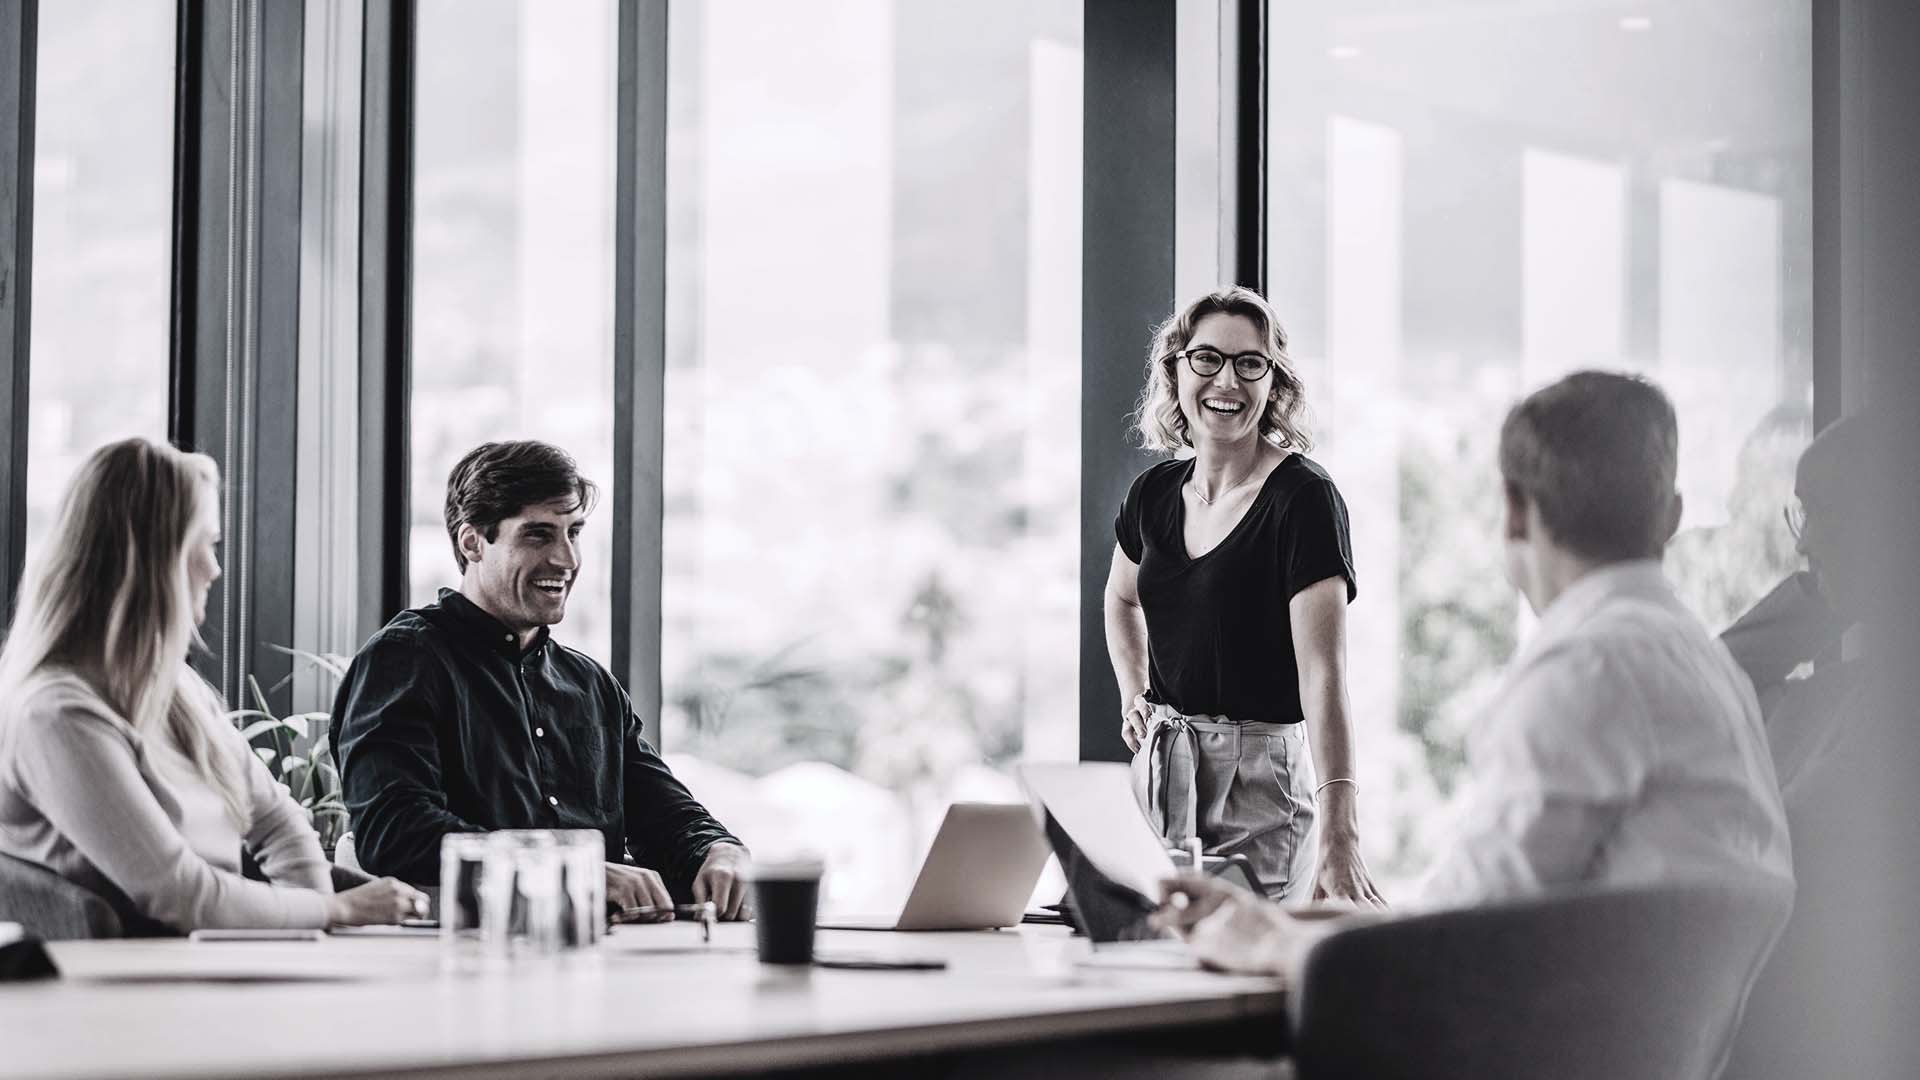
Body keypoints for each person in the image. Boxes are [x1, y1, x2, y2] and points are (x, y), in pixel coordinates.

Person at [1155, 371, 1792, 976]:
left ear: (1514, 514)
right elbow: (1475, 913)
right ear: (1671, 517)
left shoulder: (1585, 673)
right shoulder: (1704, 664)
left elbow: (1453, 951)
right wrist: (1284, 924)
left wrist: (1269, 944)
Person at [0, 438, 424, 932]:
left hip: (204, 962)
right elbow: (178, 894)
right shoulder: (56, 715)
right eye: (206, 544)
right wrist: (335, 910)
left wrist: (311, 922)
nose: (215, 568)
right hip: (123, 990)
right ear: (153, 561)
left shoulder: (175, 687)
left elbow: (275, 820)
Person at [332, 440, 750, 919]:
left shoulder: (590, 683)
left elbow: (664, 814)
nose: (566, 560)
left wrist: (719, 850)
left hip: (601, 959)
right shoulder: (404, 660)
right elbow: (396, 834)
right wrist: (569, 868)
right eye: (538, 536)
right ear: (472, 542)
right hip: (458, 963)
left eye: (573, 533)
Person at [1105, 286, 1379, 904]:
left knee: (1244, 984)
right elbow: (1121, 599)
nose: (1225, 380)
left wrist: (1342, 834)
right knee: (1154, 975)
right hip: (1159, 774)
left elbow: (1324, 676)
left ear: (1273, 381)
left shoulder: (1303, 499)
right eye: (1206, 358)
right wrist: (1133, 693)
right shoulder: (1151, 494)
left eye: (1249, 363)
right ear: (1175, 370)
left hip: (1259, 785)